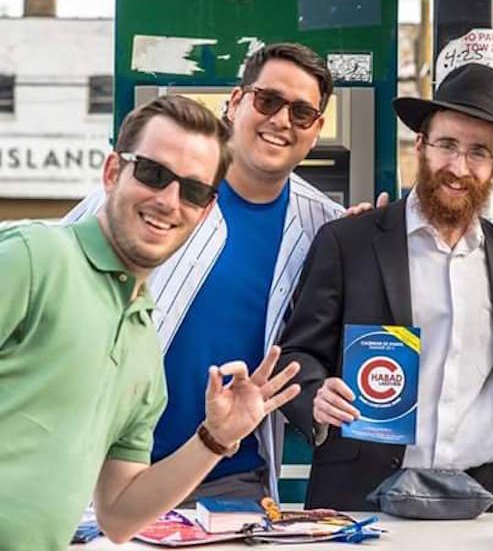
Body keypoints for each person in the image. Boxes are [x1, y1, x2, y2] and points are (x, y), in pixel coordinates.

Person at [66, 43, 381, 502]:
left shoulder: (328, 228)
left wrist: (378, 239)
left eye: (301, 113)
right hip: (99, 465)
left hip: (228, 477)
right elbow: (49, 279)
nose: (280, 121)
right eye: (267, 100)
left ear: (316, 132)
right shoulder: (149, 187)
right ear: (235, 102)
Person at [0, 95, 301, 550]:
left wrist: (215, 439)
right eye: (153, 173)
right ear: (111, 173)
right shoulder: (33, 257)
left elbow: (119, 515)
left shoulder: (144, 341)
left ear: (204, 211)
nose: (168, 200)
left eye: (193, 190)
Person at [275, 63, 493, 511]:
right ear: (420, 145)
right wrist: (315, 395)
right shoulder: (350, 241)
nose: (458, 167)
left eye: (478, 152)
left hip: (483, 499)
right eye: (447, 145)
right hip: (365, 496)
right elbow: (297, 355)